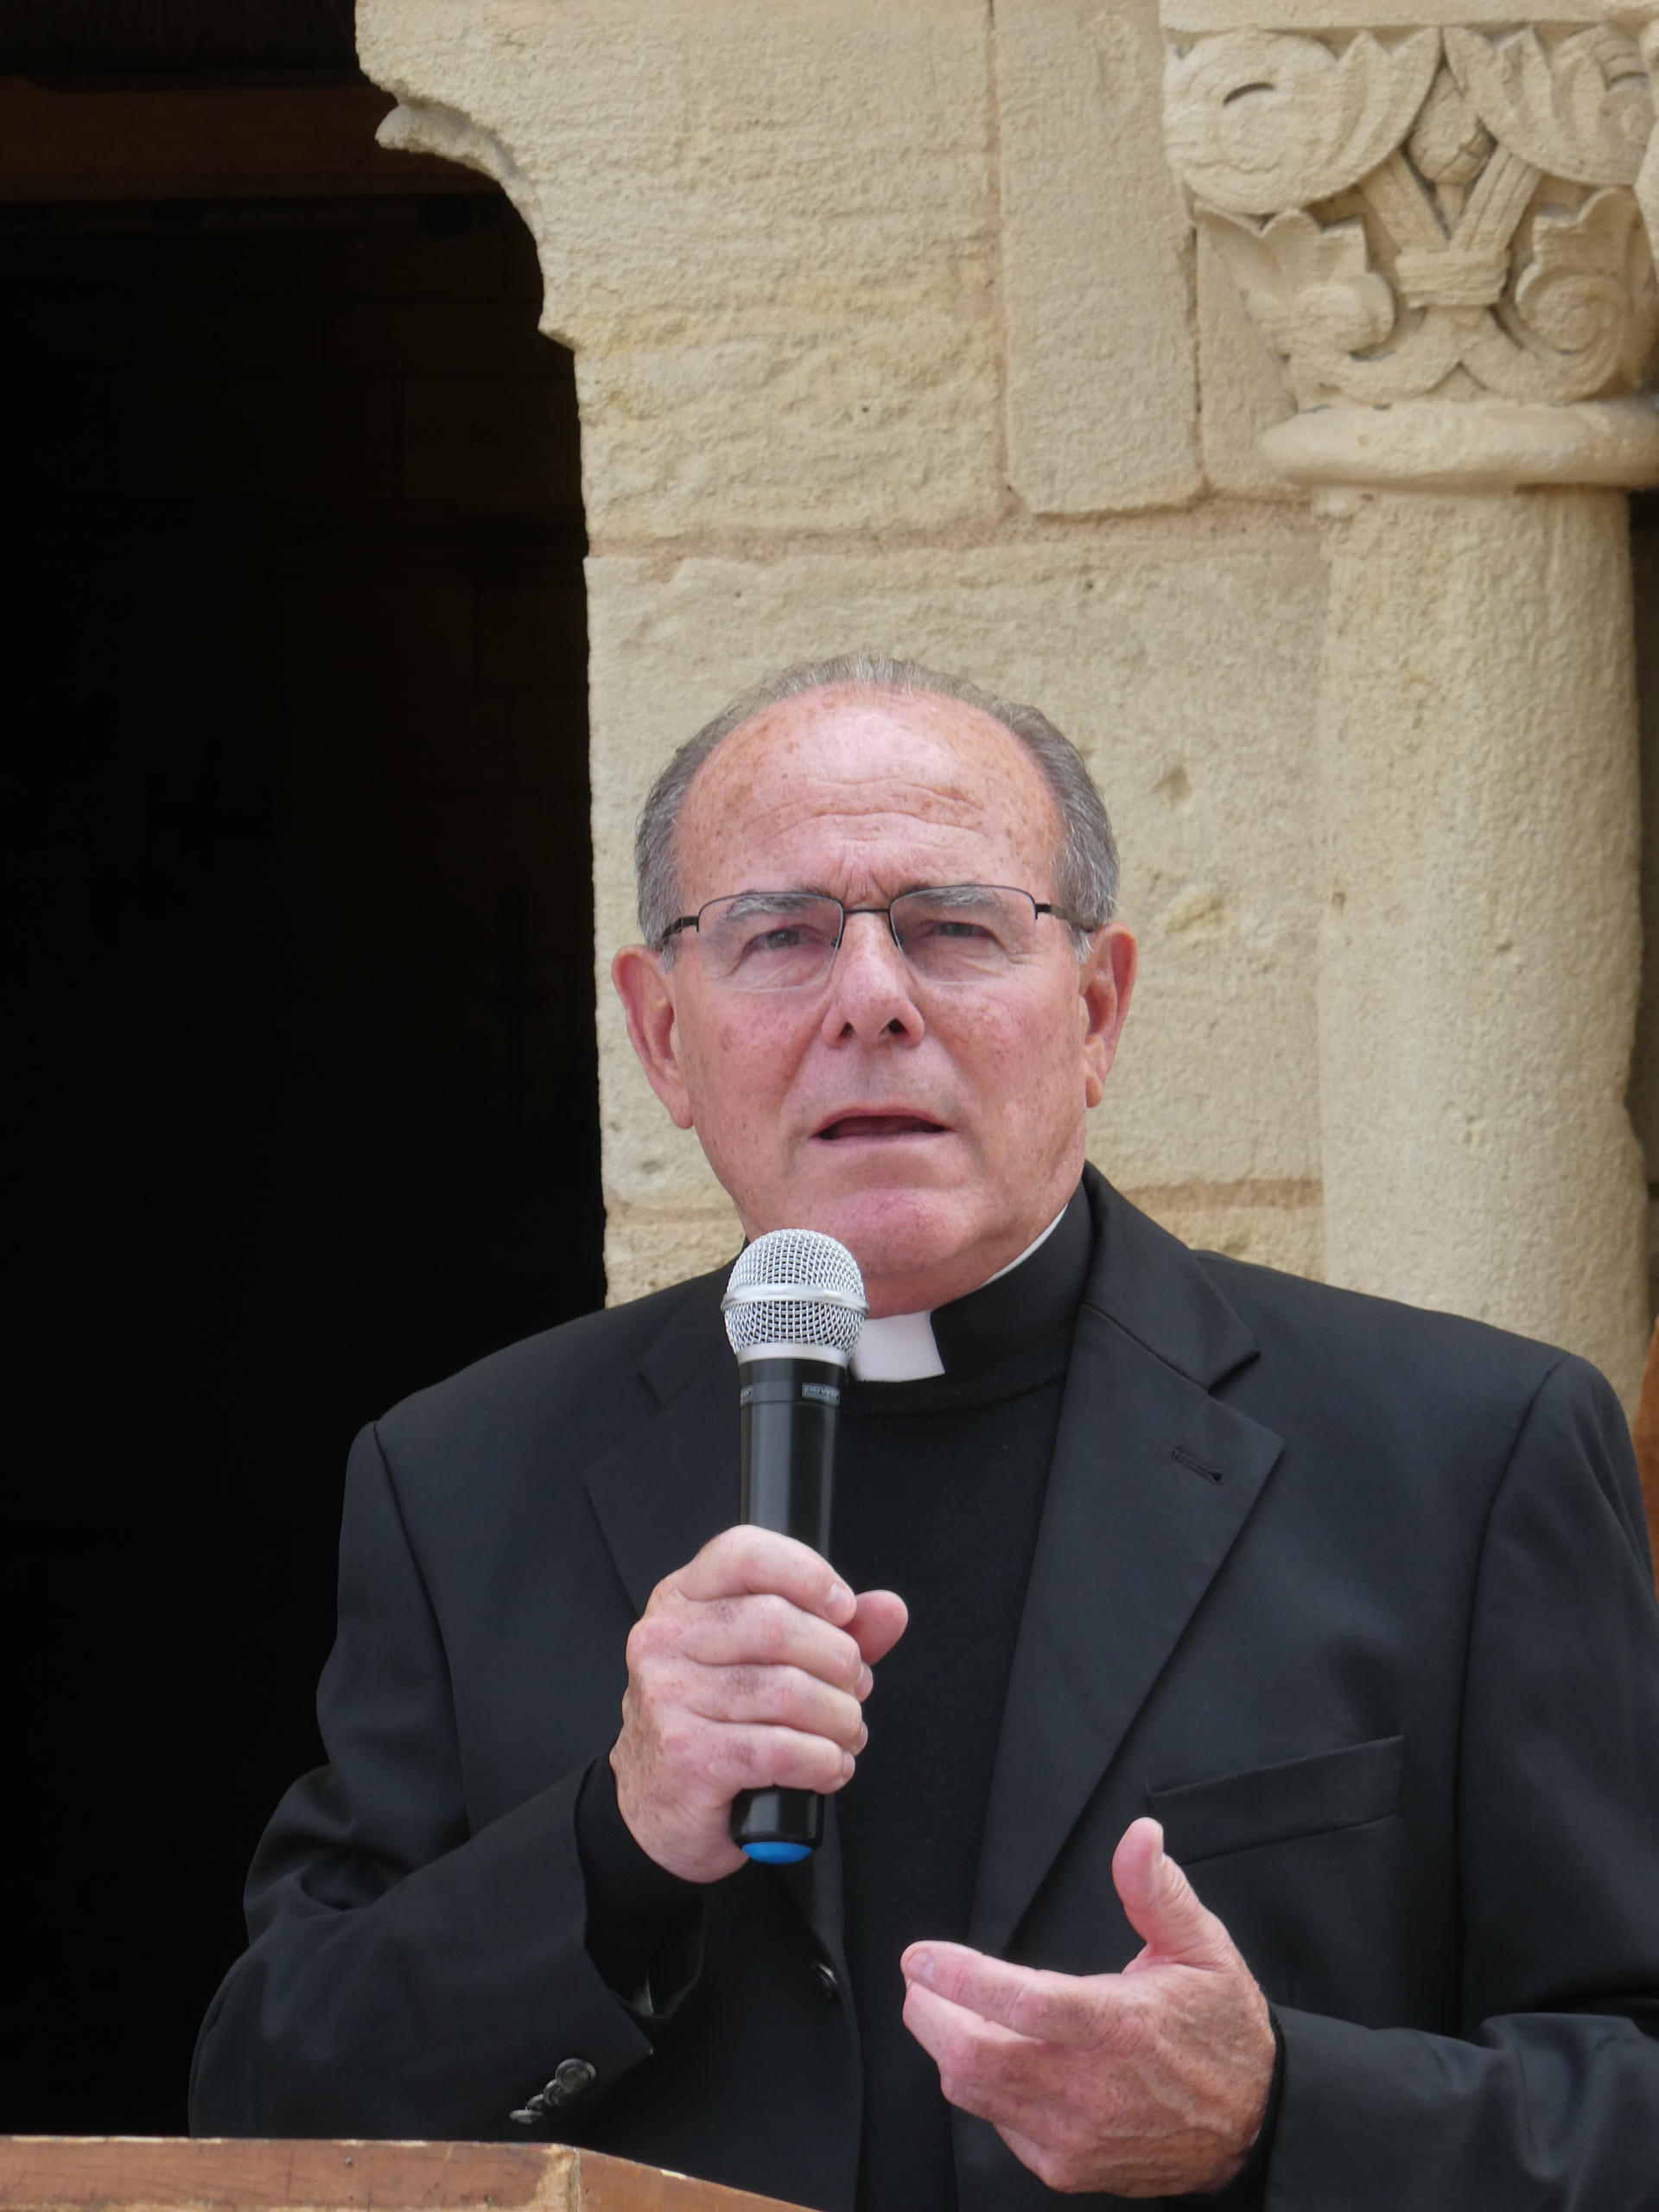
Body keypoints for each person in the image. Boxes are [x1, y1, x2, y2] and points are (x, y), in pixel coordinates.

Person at [192, 657, 1659, 2211]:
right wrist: (610, 1846)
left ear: (1095, 1012)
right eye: (780, 936)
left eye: (956, 927)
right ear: (664, 1036)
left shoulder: (1464, 1454)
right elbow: (266, 2104)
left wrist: (1283, 2111)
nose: (873, 999)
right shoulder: (460, 1480)